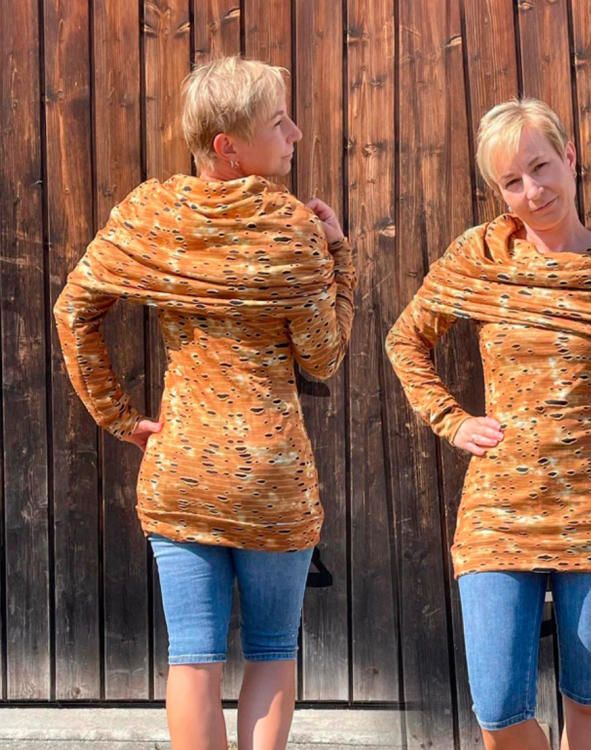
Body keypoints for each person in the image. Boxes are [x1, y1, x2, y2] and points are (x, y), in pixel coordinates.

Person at [54, 56, 356, 750]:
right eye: (278, 122)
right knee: (273, 649)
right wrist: (340, 256)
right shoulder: (291, 230)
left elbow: (74, 311)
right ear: (228, 146)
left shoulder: (150, 216)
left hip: (182, 470)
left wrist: (121, 417)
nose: (296, 133)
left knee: (192, 656)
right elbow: (322, 358)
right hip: (274, 480)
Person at [385, 98, 591, 750]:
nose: (533, 191)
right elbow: (405, 340)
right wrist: (450, 419)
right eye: (512, 181)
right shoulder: (482, 256)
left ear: (570, 157)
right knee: (497, 709)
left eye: (541, 167)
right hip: (499, 510)